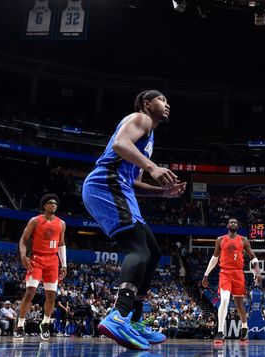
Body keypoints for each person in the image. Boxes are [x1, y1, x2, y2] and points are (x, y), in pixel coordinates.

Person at [82, 90, 187, 350]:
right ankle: (118, 315)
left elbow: (134, 181)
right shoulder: (141, 119)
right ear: (147, 103)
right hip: (106, 183)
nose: (167, 104)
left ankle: (134, 319)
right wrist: (152, 167)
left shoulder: (149, 137)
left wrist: (162, 192)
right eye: (162, 99)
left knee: (152, 251)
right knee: (137, 249)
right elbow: (119, 144)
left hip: (121, 188)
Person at [14, 194, 66, 341]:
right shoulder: (35, 221)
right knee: (30, 292)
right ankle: (20, 324)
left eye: (55, 203)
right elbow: (23, 240)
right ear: (44, 205)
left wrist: (65, 264)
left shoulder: (61, 223)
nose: (53, 205)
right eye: (50, 203)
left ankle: (45, 323)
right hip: (37, 259)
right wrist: (23, 256)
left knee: (51, 296)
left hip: (53, 261)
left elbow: (61, 244)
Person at [202, 218, 262, 343]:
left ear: (238, 226)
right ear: (228, 226)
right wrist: (206, 275)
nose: (233, 223)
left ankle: (244, 327)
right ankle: (220, 332)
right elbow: (214, 258)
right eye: (231, 222)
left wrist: (258, 271)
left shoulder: (243, 240)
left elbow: (253, 256)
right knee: (224, 299)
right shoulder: (220, 239)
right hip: (225, 273)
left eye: (235, 222)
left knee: (239, 305)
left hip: (238, 274)